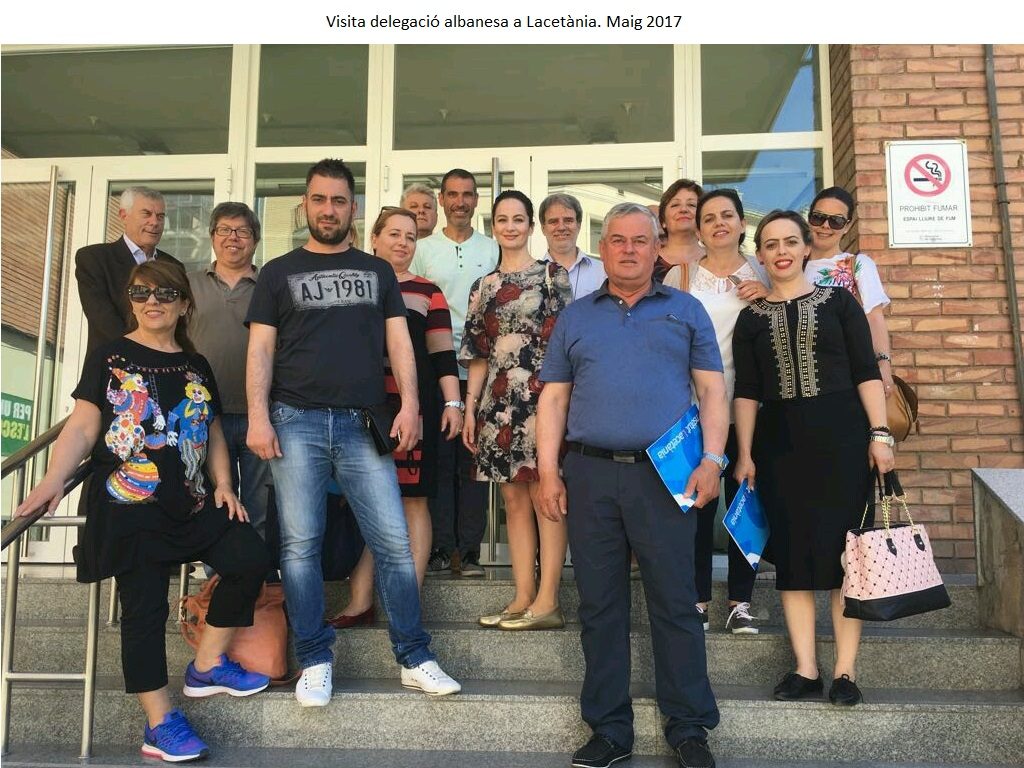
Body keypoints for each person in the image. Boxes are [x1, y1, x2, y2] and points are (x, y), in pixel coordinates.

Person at [17, 259, 271, 764]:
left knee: (250, 558)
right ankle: (159, 722)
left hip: (193, 501)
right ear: (131, 301)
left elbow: (212, 430)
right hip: (129, 504)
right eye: (141, 293)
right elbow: (83, 426)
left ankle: (207, 663)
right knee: (145, 611)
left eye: (164, 293)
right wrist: (53, 479)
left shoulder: (195, 364)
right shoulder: (110, 356)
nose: (152, 301)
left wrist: (224, 483)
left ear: (184, 304)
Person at [245, 158, 460, 706]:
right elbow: (261, 348)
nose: (328, 209)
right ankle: (315, 660)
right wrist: (258, 416)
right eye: (319, 199)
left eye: (338, 200)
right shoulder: (277, 272)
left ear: (353, 209)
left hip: (364, 422)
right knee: (300, 547)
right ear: (305, 205)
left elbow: (400, 343)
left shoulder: (377, 272)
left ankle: (414, 656)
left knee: (393, 542)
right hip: (294, 420)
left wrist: (410, 405)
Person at [537, 202, 725, 768]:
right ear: (604, 248)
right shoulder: (576, 317)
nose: (628, 249)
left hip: (665, 477)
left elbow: (712, 391)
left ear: (656, 247)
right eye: (617, 240)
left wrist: (713, 459)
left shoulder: (685, 310)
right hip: (590, 474)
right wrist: (547, 470)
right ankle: (610, 729)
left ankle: (688, 728)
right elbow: (553, 399)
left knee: (675, 601)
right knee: (600, 605)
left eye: (640, 240)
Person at [732, 209, 896, 707]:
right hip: (779, 446)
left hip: (843, 440)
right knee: (794, 556)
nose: (781, 251)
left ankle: (845, 671)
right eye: (770, 244)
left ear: (807, 248)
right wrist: (745, 453)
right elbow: (747, 391)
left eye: (790, 242)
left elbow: (866, 371)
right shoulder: (750, 319)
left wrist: (880, 434)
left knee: (847, 556)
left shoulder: (840, 303)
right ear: (760, 256)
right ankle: (805, 668)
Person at [331, 206, 463, 627]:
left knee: (413, 502)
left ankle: (407, 603)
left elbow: (442, 354)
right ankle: (360, 600)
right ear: (374, 238)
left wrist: (453, 404)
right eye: (394, 234)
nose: (403, 243)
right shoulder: (352, 285)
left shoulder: (428, 291)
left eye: (410, 236)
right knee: (368, 504)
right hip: (359, 409)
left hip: (414, 410)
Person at [461, 190, 572, 630]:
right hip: (497, 404)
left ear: (530, 226)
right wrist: (470, 408)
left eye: (518, 219)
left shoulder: (552, 276)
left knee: (545, 494)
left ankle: (548, 601)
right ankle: (523, 594)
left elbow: (567, 347)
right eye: (503, 219)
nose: (510, 226)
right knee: (512, 497)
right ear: (493, 227)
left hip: (543, 401)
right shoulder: (483, 286)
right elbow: (478, 353)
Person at [665, 189, 770, 634]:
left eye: (727, 215)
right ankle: (698, 600)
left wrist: (768, 295)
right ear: (699, 228)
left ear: (743, 223)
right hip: (694, 410)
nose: (719, 223)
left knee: (747, 503)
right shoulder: (681, 274)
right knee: (698, 506)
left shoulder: (764, 270)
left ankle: (741, 601)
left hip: (751, 408)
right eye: (709, 218)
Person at [410, 169, 499, 577]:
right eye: (452, 194)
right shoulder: (423, 249)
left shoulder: (492, 249)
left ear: (476, 200)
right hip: (437, 367)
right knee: (440, 460)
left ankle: (471, 550)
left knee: (474, 462)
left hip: (482, 369)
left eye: (467, 194)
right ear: (442, 200)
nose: (460, 201)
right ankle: (442, 548)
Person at [188, 202, 272, 543]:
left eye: (242, 231)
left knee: (261, 507)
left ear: (255, 240)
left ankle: (258, 572)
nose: (232, 238)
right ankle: (219, 573)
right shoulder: (188, 285)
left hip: (260, 415)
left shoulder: (270, 285)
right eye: (224, 230)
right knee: (215, 502)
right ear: (212, 236)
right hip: (204, 415)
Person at [804, 186, 895, 397]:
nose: (825, 226)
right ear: (809, 219)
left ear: (847, 226)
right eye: (818, 217)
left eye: (835, 221)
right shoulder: (790, 264)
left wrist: (884, 365)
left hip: (848, 373)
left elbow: (874, 319)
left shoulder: (858, 265)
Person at [75, 187, 184, 357]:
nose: (155, 222)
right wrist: (147, 353)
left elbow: (178, 322)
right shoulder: (95, 258)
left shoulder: (174, 266)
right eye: (146, 214)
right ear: (124, 216)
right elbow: (103, 318)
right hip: (114, 362)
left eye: (160, 216)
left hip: (164, 363)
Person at [539, 192, 606, 301]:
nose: (561, 227)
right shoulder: (531, 276)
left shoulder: (603, 272)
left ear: (578, 225)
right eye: (553, 221)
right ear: (543, 228)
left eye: (568, 220)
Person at [653, 179, 705, 283]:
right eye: (675, 205)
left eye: (691, 205)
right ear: (663, 221)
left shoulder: (717, 260)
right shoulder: (648, 261)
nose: (683, 209)